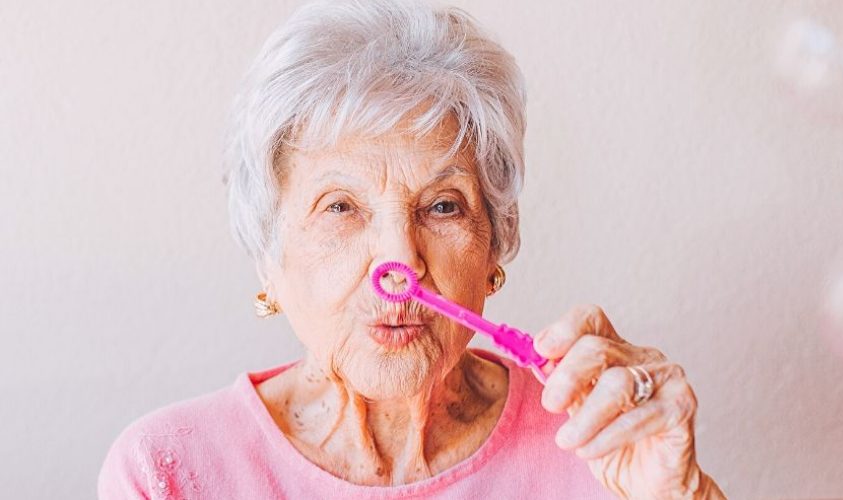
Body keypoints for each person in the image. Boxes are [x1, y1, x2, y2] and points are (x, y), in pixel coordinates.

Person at [98, 1, 725, 498]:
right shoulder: (165, 474)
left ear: (494, 248)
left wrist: (680, 495)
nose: (401, 262)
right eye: (341, 207)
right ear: (269, 257)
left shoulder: (593, 440)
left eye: (443, 206)